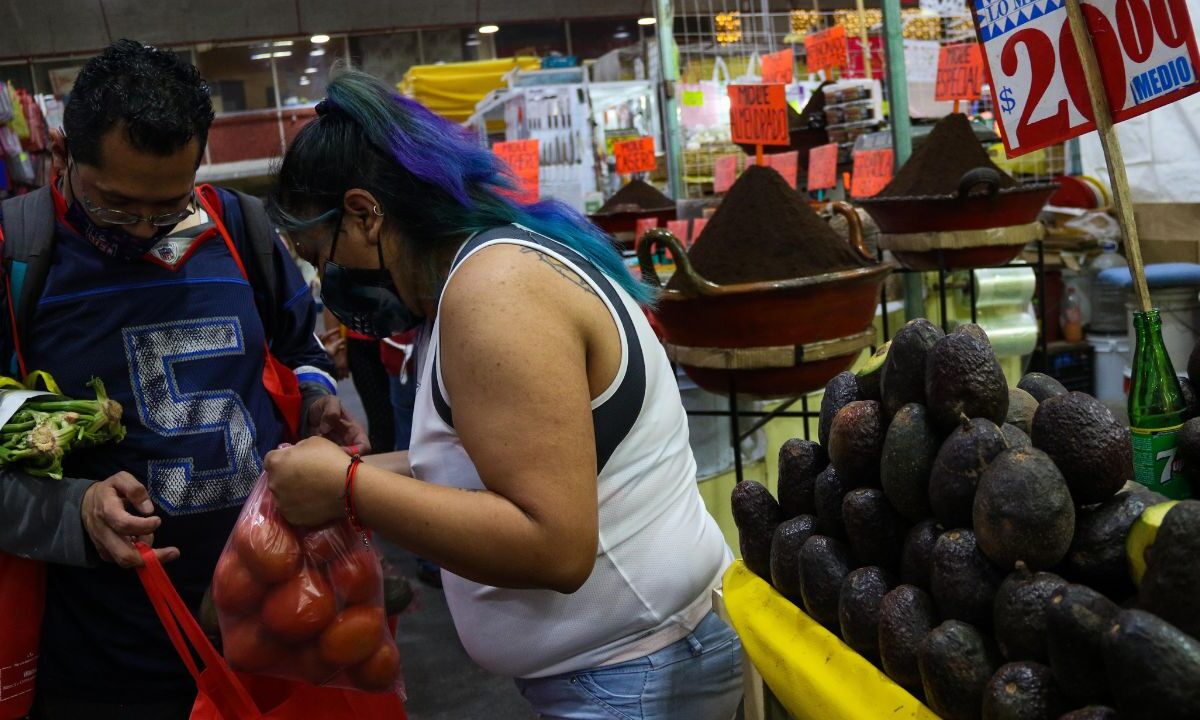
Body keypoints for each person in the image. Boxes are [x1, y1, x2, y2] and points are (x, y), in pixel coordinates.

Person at [265, 68, 743, 720]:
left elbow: (555, 545)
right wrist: (341, 474)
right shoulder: (473, 280)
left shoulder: (496, 294)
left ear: (365, 213)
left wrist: (350, 490)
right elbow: (497, 460)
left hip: (637, 678)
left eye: (318, 254)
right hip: (621, 673)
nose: (327, 280)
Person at [0, 40, 366, 719]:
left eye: (165, 206)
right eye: (114, 205)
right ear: (63, 159)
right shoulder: (19, 258)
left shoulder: (237, 229)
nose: (142, 227)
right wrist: (72, 509)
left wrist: (316, 403)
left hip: (271, 623)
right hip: (105, 660)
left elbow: (301, 348)